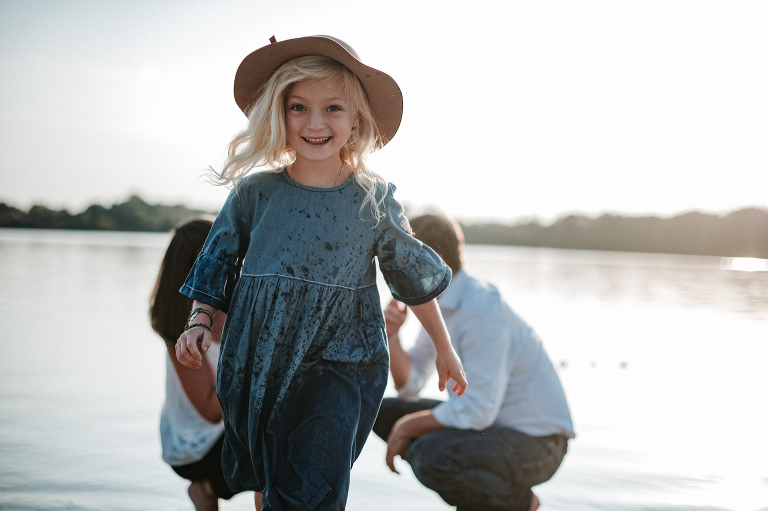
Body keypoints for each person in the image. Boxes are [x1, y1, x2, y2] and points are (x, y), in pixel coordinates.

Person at [174, 35, 468, 511]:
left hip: (342, 361)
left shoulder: (373, 199)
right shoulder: (254, 194)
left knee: (315, 484)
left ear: (356, 120)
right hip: (259, 359)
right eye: (299, 107)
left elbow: (411, 278)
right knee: (273, 483)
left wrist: (444, 347)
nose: (315, 123)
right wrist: (199, 321)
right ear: (279, 114)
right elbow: (216, 262)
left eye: (333, 108)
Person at [372, 214, 574, 511]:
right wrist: (391, 335)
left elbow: (478, 411)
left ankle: (517, 503)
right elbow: (409, 386)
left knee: (430, 456)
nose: (393, 269)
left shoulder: (480, 309)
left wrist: (407, 427)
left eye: (402, 257)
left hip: (539, 444)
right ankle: (478, 493)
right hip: (490, 427)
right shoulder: (441, 303)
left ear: (431, 258)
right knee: (383, 413)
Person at [149, 218, 260, 510]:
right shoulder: (182, 328)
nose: (234, 264)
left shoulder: (236, 310)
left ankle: (210, 489)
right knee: (270, 450)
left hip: (229, 428)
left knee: (282, 437)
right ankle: (205, 489)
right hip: (194, 446)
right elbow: (211, 411)